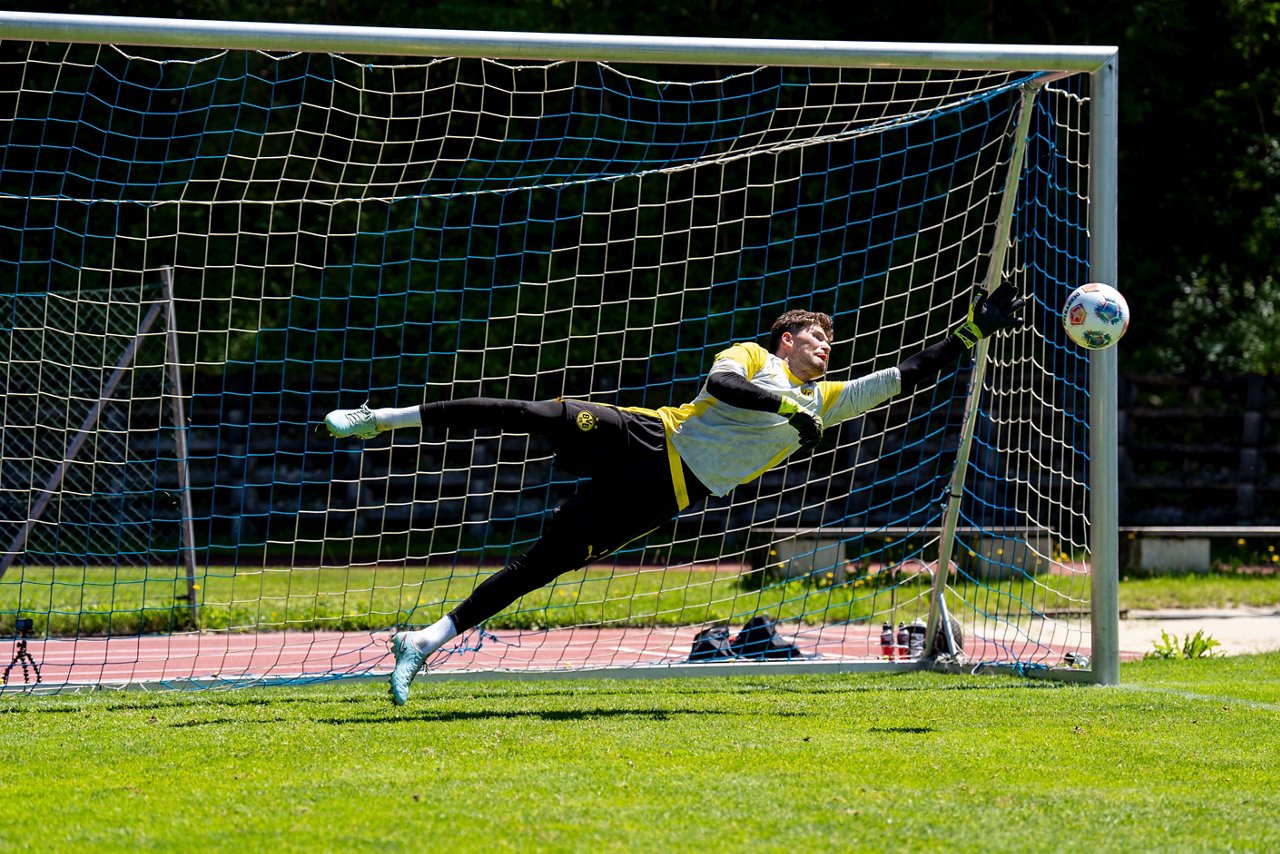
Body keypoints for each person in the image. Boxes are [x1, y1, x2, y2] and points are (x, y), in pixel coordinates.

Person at [324, 283, 1025, 704]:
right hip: (648, 439)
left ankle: (424, 642)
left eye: (829, 346)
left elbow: (911, 372)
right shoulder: (755, 362)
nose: (825, 350)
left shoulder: (830, 399)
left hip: (668, 495)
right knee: (532, 415)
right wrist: (787, 412)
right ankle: (380, 419)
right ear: (785, 340)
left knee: (543, 564)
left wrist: (973, 330)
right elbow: (720, 388)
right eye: (814, 338)